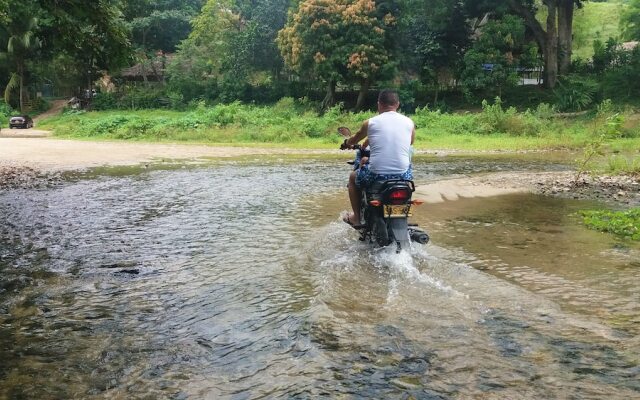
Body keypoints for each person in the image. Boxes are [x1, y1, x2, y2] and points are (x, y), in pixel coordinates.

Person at [342, 89, 415, 226]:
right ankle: (401, 214)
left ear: (379, 104)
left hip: (377, 175)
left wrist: (347, 143)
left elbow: (355, 139)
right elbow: (410, 142)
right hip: (403, 175)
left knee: (353, 177)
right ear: (397, 104)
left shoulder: (370, 123)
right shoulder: (409, 122)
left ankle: (356, 218)